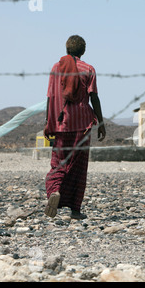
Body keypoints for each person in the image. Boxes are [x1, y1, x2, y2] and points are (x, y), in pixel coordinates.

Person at [44, 35, 106, 220]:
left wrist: (49, 123)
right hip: (82, 126)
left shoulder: (56, 68)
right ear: (83, 50)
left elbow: (49, 98)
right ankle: (75, 210)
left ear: (67, 49)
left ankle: (55, 191)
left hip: (61, 124)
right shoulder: (88, 69)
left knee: (59, 162)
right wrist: (101, 123)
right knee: (78, 166)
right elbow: (93, 97)